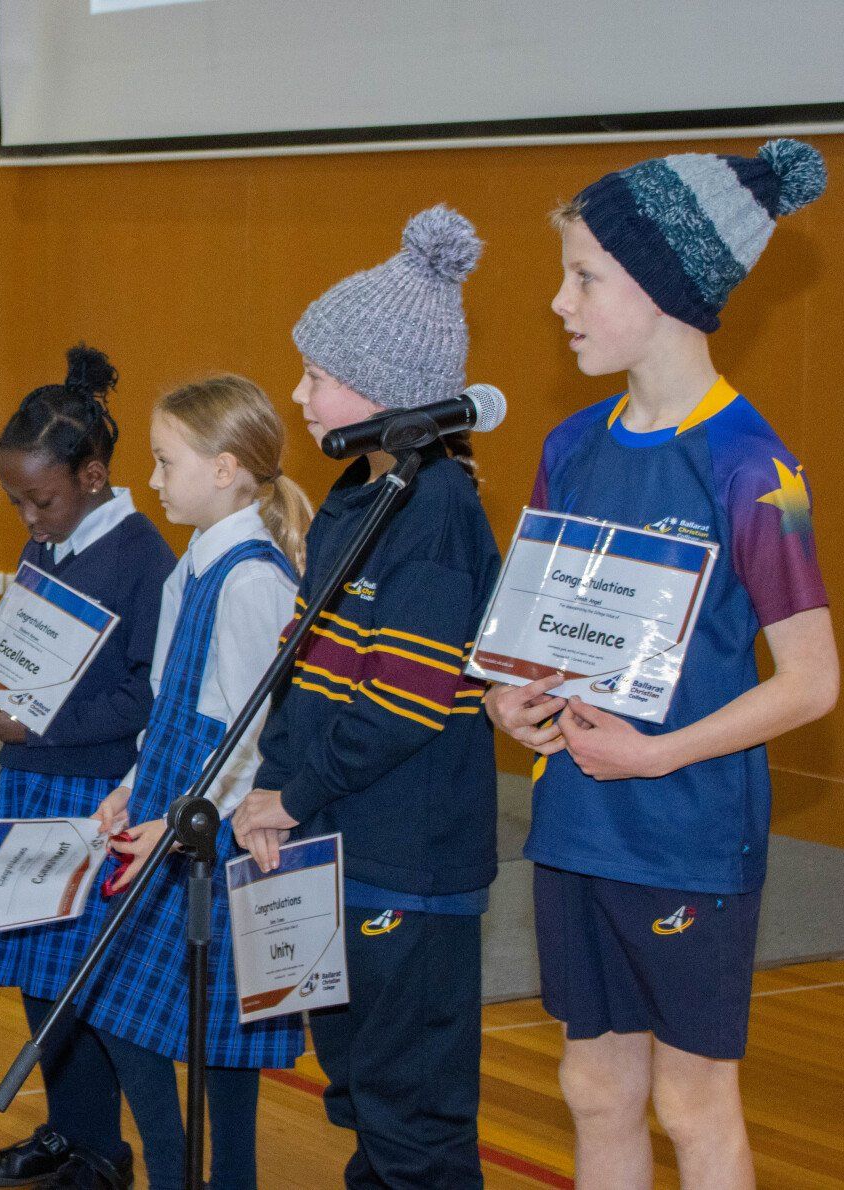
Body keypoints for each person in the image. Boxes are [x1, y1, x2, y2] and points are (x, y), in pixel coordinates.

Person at [488, 140, 835, 1190]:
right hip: (575, 822)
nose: (560, 302)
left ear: (666, 288)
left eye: (585, 276)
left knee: (691, 1101)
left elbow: (812, 681)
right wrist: (510, 699)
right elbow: (532, 642)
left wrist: (659, 753)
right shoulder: (569, 445)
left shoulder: (754, 468)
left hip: (685, 833)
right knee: (595, 1086)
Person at [233, 206, 501, 1189]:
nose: (299, 394)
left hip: (406, 861)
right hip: (333, 843)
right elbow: (302, 679)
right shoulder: (360, 495)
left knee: (410, 1110)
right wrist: (270, 795)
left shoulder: (438, 513)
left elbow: (402, 705)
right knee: (358, 1090)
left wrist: (293, 797)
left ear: (388, 389)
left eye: (317, 374)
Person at [80, 375, 311, 1190]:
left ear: (223, 468)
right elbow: (172, 704)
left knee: (220, 1031)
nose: (151, 479)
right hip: (169, 806)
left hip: (212, 829)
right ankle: (180, 1173)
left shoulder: (251, 580)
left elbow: (256, 733)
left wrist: (187, 820)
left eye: (164, 461)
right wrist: (133, 781)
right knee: (122, 1006)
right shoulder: (193, 568)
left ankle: (216, 1176)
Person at [0, 345, 177, 1188]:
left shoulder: (142, 558)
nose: (26, 517)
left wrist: (37, 728)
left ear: (91, 476)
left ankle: (101, 1153)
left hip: (97, 794)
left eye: (39, 500)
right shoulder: (48, 547)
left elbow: (146, 695)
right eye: (14, 501)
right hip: (34, 779)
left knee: (87, 980)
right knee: (41, 972)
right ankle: (70, 1131)